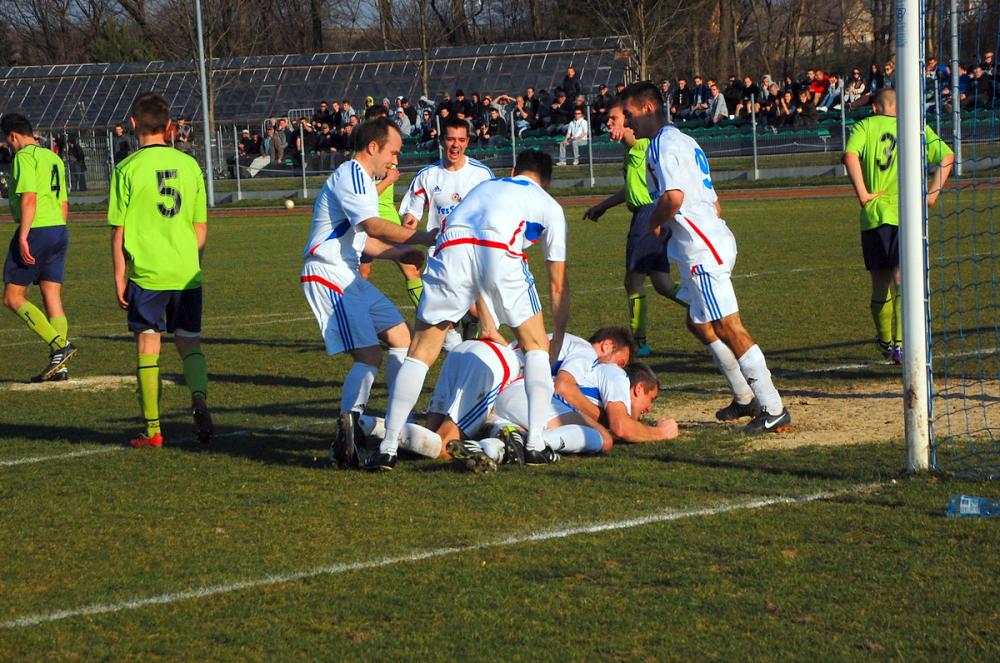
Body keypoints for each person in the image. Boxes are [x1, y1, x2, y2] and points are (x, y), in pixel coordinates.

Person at [374, 150, 570, 470]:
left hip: (450, 248)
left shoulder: (484, 186)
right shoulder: (549, 205)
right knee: (536, 347)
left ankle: (388, 445)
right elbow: (558, 283)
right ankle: (534, 444)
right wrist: (558, 334)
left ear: (512, 170)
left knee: (420, 353)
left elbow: (465, 236)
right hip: (500, 251)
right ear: (547, 182)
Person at [620, 81, 791, 433]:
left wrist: (655, 225)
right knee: (699, 323)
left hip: (702, 249)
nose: (626, 122)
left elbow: (674, 197)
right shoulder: (684, 140)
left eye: (629, 114)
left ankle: (773, 408)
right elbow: (712, 199)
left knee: (729, 326)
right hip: (706, 240)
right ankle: (745, 397)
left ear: (648, 109)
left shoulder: (662, 145)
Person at [301, 117, 437, 468]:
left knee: (400, 336)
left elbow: (366, 242)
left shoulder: (361, 180)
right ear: (373, 147)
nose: (395, 160)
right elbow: (373, 225)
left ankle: (395, 419)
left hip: (347, 273)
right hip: (328, 273)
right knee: (368, 356)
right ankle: (348, 435)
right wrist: (425, 237)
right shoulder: (352, 175)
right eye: (393, 151)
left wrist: (399, 253)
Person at [108, 93, 211, 447]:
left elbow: (119, 230)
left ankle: (153, 430)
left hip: (147, 274)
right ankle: (198, 396)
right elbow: (200, 230)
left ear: (134, 124)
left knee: (147, 350)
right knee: (190, 345)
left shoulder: (126, 169)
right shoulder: (190, 166)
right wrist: (188, 260)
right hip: (185, 271)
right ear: (169, 127)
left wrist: (120, 276)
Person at [843, 88, 954, 363]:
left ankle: (885, 341)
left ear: (875, 107)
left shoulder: (865, 124)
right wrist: (932, 194)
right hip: (909, 214)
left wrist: (863, 195)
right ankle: (903, 344)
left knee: (880, 283)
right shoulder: (915, 126)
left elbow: (849, 156)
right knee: (904, 279)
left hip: (876, 214)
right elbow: (947, 157)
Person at [583, 98, 680, 356]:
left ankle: (640, 342)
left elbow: (636, 141)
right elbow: (630, 188)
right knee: (662, 283)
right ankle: (703, 306)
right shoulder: (630, 151)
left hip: (648, 216)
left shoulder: (641, 144)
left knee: (633, 280)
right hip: (650, 213)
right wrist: (603, 205)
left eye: (614, 119)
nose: (609, 123)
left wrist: (624, 129)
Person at [1, 113, 76, 382]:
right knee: (51, 295)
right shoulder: (53, 157)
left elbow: (29, 198)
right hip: (58, 228)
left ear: (12, 136)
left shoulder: (24, 157)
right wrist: (57, 230)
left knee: (12, 297)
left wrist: (23, 235)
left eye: (7, 141)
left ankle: (60, 346)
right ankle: (61, 366)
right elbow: (64, 202)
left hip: (36, 229)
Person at [398, 116, 494, 316]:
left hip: (473, 254)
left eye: (460, 140)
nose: (455, 145)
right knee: (445, 319)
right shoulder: (427, 175)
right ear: (442, 141)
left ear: (467, 142)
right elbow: (411, 216)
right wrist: (408, 231)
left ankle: (469, 327)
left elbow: (494, 214)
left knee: (477, 312)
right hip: (440, 255)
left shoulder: (482, 174)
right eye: (451, 139)